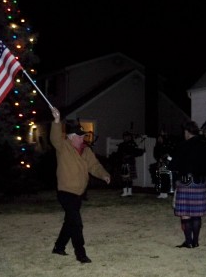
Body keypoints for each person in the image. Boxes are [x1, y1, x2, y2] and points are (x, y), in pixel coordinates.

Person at [49, 107, 111, 263]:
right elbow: (54, 138)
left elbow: (94, 166)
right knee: (76, 223)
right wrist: (56, 121)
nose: (82, 138)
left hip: (78, 193)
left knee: (70, 221)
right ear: (71, 137)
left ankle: (58, 247)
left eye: (83, 135)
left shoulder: (86, 151)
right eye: (79, 136)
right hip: (65, 191)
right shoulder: (63, 147)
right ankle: (80, 253)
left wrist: (104, 174)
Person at [172, 120, 206, 248]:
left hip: (186, 182)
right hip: (200, 182)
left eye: (184, 132)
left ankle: (188, 242)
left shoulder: (183, 145)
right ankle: (196, 241)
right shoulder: (205, 145)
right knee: (196, 213)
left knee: (186, 213)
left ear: (187, 132)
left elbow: (175, 164)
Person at [116, 131, 143, 197]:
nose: (126, 138)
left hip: (130, 162)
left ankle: (129, 192)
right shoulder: (121, 145)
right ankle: (125, 192)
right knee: (124, 178)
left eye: (127, 136)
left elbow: (138, 152)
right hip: (124, 163)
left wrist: (130, 155)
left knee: (130, 178)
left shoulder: (133, 144)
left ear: (130, 137)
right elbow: (118, 154)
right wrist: (122, 158)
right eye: (125, 136)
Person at [152, 130, 178, 199]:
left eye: (161, 137)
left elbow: (171, 156)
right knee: (160, 179)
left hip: (167, 164)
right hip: (160, 164)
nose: (159, 139)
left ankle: (165, 193)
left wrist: (166, 160)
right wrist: (159, 160)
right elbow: (155, 155)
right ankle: (161, 193)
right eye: (158, 138)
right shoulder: (157, 146)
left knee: (166, 179)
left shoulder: (168, 145)